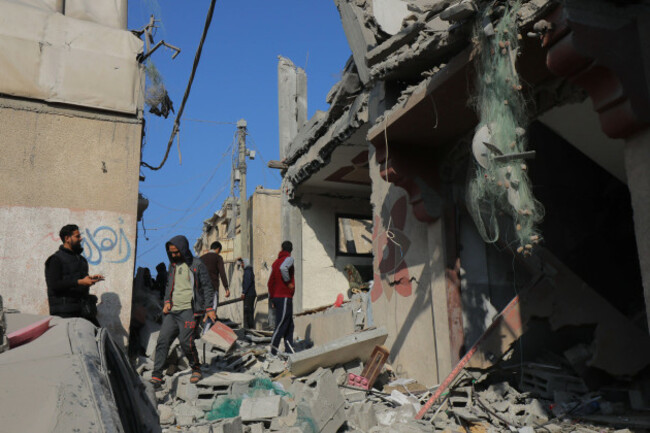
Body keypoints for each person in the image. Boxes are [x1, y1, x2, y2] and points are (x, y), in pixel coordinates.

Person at [151, 235, 216, 386]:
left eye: (176, 252)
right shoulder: (172, 266)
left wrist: (209, 308)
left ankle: (196, 368)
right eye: (171, 252)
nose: (173, 255)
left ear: (183, 249)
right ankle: (156, 376)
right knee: (162, 341)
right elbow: (169, 285)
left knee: (186, 342)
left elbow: (207, 287)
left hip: (190, 310)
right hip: (173, 311)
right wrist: (167, 301)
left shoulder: (197, 265)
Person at [44, 224, 103, 326]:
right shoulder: (55, 260)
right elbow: (54, 285)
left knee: (98, 335)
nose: (81, 239)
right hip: (64, 314)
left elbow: (80, 284)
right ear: (67, 238)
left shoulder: (81, 260)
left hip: (83, 312)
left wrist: (90, 280)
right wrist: (80, 282)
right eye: (77, 236)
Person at [267, 241, 295, 356]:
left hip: (278, 298)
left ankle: (289, 351)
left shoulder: (275, 263)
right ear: (291, 249)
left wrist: (272, 299)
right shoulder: (288, 259)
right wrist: (288, 282)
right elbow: (284, 268)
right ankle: (273, 352)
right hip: (284, 297)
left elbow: (270, 283)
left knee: (289, 325)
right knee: (281, 324)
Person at [200, 241, 230, 312]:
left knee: (204, 311)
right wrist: (226, 288)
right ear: (218, 249)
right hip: (213, 287)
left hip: (201, 289)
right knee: (212, 311)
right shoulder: (218, 258)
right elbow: (222, 273)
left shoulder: (201, 258)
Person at [237, 258, 256, 329]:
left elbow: (247, 283)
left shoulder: (248, 271)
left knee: (248, 312)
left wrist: (243, 293)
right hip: (250, 294)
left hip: (249, 295)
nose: (241, 265)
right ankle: (250, 328)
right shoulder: (248, 270)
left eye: (242, 263)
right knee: (249, 312)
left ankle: (249, 329)